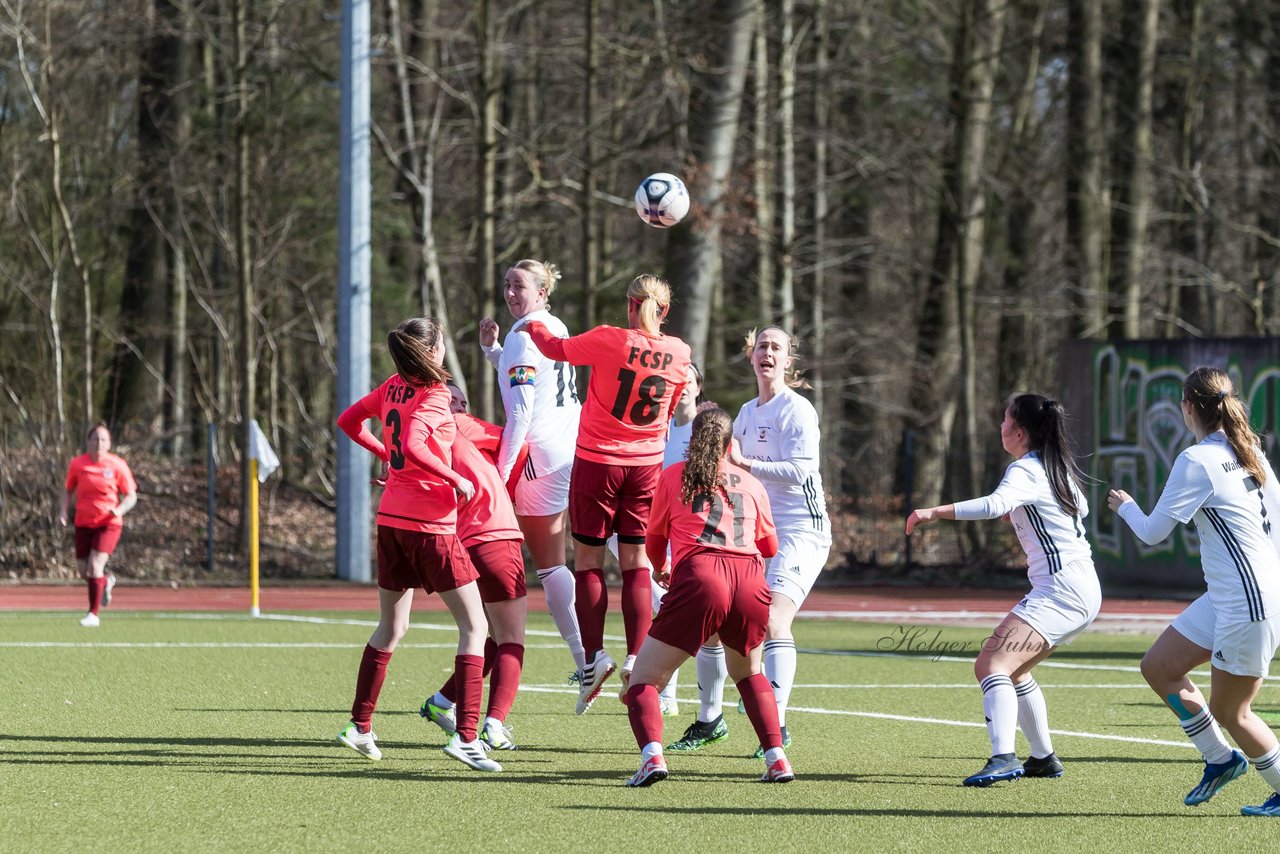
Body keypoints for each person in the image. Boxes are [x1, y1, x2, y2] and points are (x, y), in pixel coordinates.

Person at [1108, 367, 1280, 816]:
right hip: (1235, 595)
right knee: (1159, 667)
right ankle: (1220, 760)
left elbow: (1151, 533)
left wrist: (1125, 507)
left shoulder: (1197, 460)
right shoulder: (1250, 451)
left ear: (1188, 405)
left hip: (1248, 601)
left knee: (1233, 712)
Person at [906, 393, 1102, 786]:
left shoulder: (1028, 470)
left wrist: (934, 511)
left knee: (991, 664)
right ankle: (1043, 758)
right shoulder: (1058, 467)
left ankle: (1003, 757)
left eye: (1004, 418)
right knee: (1015, 670)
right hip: (1081, 587)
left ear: (1019, 431)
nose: (1000, 426)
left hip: (1062, 589)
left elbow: (995, 505)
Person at [334, 317, 500, 773]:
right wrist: (455, 478)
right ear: (432, 350)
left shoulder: (392, 386)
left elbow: (349, 421)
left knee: (391, 627)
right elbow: (415, 443)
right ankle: (467, 737)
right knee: (475, 627)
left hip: (391, 521)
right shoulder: (434, 394)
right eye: (442, 343)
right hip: (431, 526)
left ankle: (360, 726)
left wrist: (390, 458)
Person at [524, 273, 692, 713]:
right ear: (666, 310)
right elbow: (672, 410)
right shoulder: (680, 353)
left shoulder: (609, 339)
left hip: (598, 462)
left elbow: (555, 349)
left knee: (588, 562)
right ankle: (638, 655)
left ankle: (596, 658)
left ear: (630, 304)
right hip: (646, 468)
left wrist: (534, 324)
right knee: (637, 563)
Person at [668, 327, 830, 756]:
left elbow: (802, 470)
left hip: (800, 529)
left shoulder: (797, 409)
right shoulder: (745, 411)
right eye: (762, 347)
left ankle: (776, 724)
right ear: (751, 356)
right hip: (753, 530)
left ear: (789, 361)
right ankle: (709, 719)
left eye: (777, 348)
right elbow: (725, 464)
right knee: (715, 622)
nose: (768, 354)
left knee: (775, 620)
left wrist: (747, 462)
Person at [621, 407, 794, 786]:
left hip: (702, 575)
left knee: (643, 681)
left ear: (693, 441)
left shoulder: (674, 476)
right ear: (731, 445)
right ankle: (777, 757)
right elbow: (769, 546)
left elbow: (654, 540)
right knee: (749, 674)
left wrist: (660, 568)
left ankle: (652, 757)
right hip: (750, 580)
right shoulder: (751, 483)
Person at [479, 260, 586, 680]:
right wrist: (493, 352)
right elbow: (529, 382)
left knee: (548, 563)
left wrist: (501, 475)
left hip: (540, 459)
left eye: (519, 286)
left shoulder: (524, 336)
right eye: (506, 284)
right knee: (610, 545)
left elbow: (521, 412)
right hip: (571, 449)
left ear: (542, 292)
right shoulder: (554, 328)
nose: (509, 293)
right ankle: (626, 643)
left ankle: (586, 658)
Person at [420, 383, 528, 751]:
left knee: (491, 635)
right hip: (494, 535)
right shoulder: (460, 427)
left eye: (464, 402)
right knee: (512, 639)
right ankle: (493, 725)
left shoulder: (425, 440)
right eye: (455, 402)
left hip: (464, 541)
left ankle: (442, 702)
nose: (463, 408)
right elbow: (520, 438)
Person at [59, 424, 137, 627]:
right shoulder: (78, 464)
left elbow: (131, 495)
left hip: (108, 523)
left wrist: (119, 510)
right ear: (88, 442)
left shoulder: (118, 465)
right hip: (83, 523)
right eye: (95, 439)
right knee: (85, 571)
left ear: (109, 443)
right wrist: (63, 512)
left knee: (95, 566)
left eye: (103, 440)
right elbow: (68, 490)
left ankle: (93, 614)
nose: (99, 443)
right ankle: (107, 581)